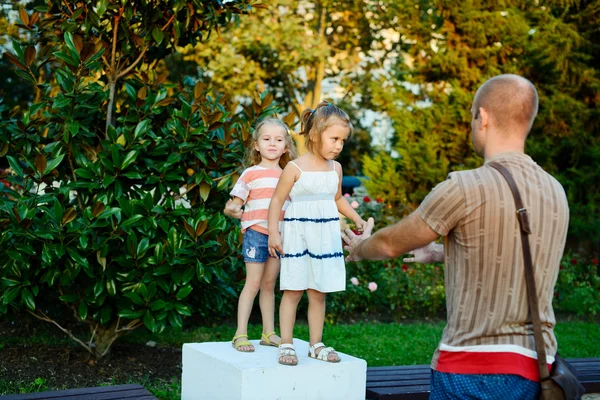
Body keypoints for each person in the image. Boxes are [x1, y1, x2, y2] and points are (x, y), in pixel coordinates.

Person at [343, 75, 569, 399]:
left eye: (472, 116)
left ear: (484, 117)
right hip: (538, 369)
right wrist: (440, 253)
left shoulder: (463, 187)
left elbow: (392, 243)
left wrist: (360, 249)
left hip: (471, 370)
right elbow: (516, 252)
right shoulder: (554, 191)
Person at [267, 101, 373, 366]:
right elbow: (277, 202)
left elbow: (337, 199)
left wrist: (357, 217)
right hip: (297, 236)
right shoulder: (295, 168)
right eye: (334, 138)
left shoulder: (335, 169)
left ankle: (316, 344)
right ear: (315, 134)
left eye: (343, 141)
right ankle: (287, 344)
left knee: (318, 292)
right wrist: (273, 234)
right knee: (293, 289)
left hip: (323, 238)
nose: (339, 145)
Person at [224, 118, 298, 352]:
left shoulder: (289, 174)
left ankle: (268, 333)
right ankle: (240, 334)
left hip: (278, 236)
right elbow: (235, 204)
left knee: (269, 284)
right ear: (256, 145)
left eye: (278, 140)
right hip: (256, 233)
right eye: (267, 139)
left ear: (286, 147)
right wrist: (233, 209)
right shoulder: (250, 174)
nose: (273, 144)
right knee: (253, 283)